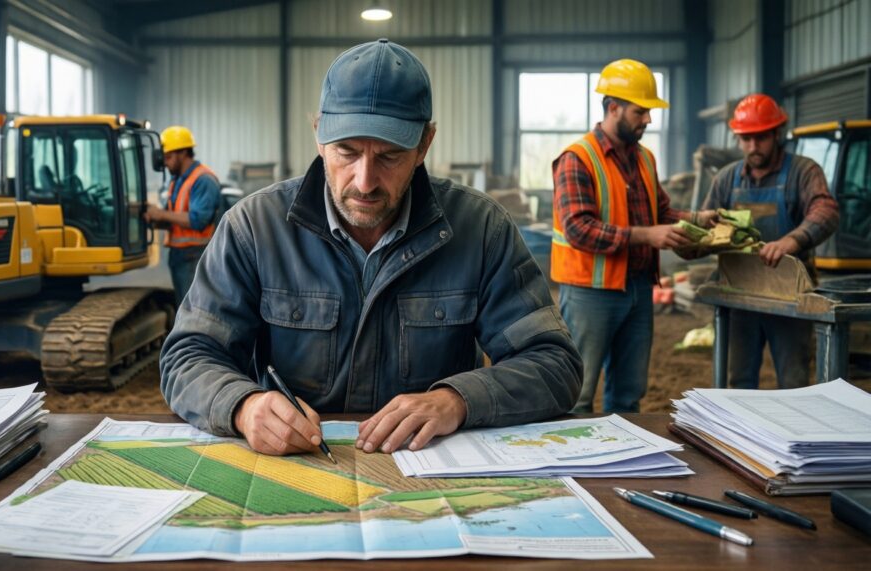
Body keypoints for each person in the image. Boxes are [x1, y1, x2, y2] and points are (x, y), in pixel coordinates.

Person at [160, 39, 582, 458]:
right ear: (319, 137)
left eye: (389, 156)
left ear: (424, 145)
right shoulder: (254, 228)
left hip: (430, 474)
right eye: (346, 151)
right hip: (298, 467)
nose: (364, 181)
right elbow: (188, 356)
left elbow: (554, 364)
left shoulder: (481, 229)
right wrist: (243, 406)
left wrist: (457, 400)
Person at [551, 59, 717, 414]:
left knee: (629, 395)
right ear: (614, 108)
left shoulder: (644, 158)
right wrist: (647, 236)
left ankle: (624, 464)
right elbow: (579, 228)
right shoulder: (577, 159)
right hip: (591, 294)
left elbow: (661, 214)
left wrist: (698, 220)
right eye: (641, 112)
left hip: (639, 289)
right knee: (577, 394)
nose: (648, 120)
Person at [702, 93, 839, 389]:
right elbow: (704, 224)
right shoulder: (726, 179)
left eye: (761, 138)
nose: (753, 146)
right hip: (740, 296)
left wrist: (792, 240)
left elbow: (826, 211)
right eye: (746, 139)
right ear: (737, 138)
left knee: (794, 381)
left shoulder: (803, 171)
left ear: (776, 133)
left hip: (789, 296)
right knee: (740, 381)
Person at [144, 126, 221, 305]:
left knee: (194, 309)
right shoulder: (178, 180)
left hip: (196, 255)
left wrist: (161, 214)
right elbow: (174, 218)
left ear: (184, 153)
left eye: (169, 157)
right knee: (184, 308)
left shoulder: (202, 179)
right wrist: (155, 218)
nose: (165, 163)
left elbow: (198, 221)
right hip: (181, 255)